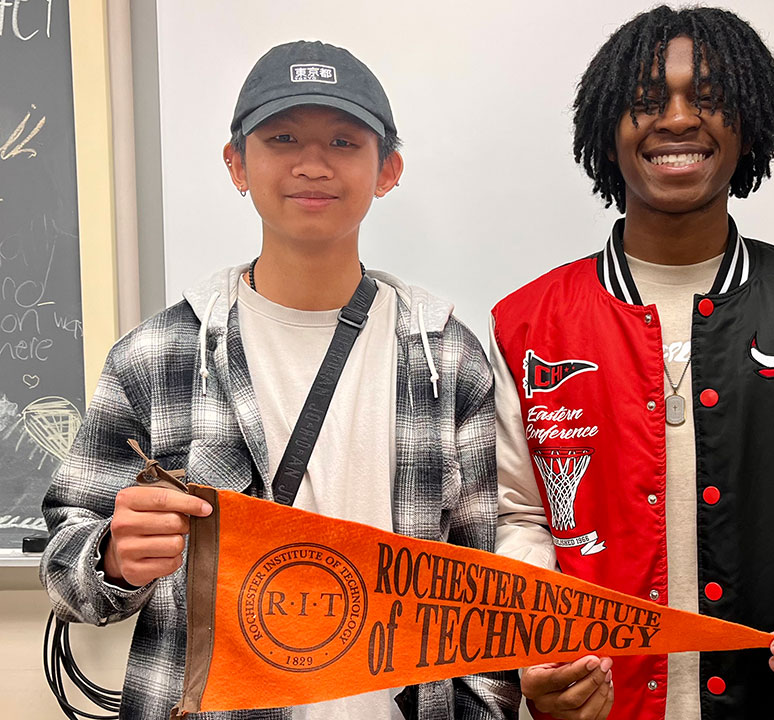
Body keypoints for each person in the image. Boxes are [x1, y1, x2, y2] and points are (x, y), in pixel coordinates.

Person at [40, 40, 519, 720]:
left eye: (345, 141)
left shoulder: (448, 361)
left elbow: (486, 594)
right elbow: (64, 570)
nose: (313, 164)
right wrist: (113, 558)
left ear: (388, 170)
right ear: (238, 163)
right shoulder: (155, 357)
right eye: (283, 137)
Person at [490, 6, 774, 719]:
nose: (677, 120)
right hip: (596, 707)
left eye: (708, 99)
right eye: (645, 101)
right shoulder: (527, 322)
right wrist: (535, 646)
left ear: (749, 126)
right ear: (607, 130)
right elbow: (514, 516)